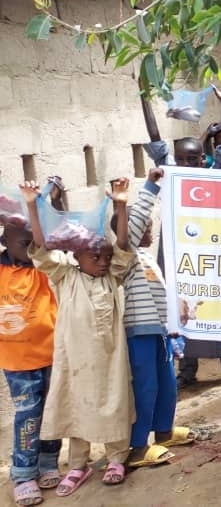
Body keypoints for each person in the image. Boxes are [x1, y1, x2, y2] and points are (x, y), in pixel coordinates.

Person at [22, 178, 134, 494]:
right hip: (76, 361)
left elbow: (121, 246)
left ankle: (116, 458)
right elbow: (42, 249)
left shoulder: (112, 278)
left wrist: (121, 204)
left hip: (110, 359)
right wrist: (32, 206)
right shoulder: (65, 277)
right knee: (77, 408)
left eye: (105, 258)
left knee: (115, 403)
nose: (103, 262)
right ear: (76, 258)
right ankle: (77, 466)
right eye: (94, 257)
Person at [117, 169, 203, 471]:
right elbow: (132, 226)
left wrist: (174, 324)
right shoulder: (125, 256)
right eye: (146, 227)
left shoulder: (146, 257)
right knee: (146, 388)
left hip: (159, 333)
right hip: (139, 333)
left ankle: (164, 431)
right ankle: (138, 446)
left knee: (166, 384)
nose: (150, 231)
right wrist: (150, 188)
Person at [171, 86, 221, 390]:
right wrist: (144, 99)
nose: (187, 165)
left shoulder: (214, 176)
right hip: (184, 259)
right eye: (182, 160)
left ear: (202, 160)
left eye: (193, 160)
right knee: (185, 312)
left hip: (216, 256)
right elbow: (156, 142)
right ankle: (187, 370)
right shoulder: (172, 180)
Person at [0, 216, 62, 506]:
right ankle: (24, 474)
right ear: (4, 242)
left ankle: (49, 462)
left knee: (52, 410)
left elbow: (50, 235)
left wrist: (47, 204)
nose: (32, 248)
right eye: (25, 243)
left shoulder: (42, 268)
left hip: (50, 354)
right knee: (28, 414)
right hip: (17, 361)